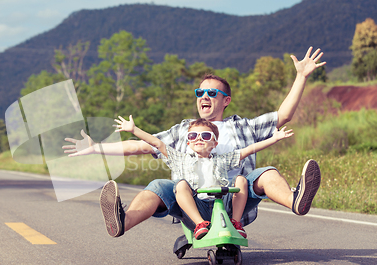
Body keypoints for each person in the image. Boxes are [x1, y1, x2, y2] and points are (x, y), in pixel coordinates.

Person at [64, 47, 325, 239]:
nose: (204, 96)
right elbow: (142, 145)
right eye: (200, 92)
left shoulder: (242, 126)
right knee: (158, 185)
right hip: (193, 201)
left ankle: (295, 201)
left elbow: (283, 116)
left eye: (212, 92)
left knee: (266, 173)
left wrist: (301, 76)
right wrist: (95, 147)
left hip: (236, 199)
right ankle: (122, 221)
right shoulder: (184, 130)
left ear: (226, 100)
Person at [113, 115, 294, 239]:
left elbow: (249, 150)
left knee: (241, 180)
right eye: (193, 135)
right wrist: (134, 129)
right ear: (188, 142)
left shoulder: (223, 159)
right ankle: (200, 225)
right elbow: (157, 143)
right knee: (181, 185)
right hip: (196, 208)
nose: (199, 138)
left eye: (205, 135)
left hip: (223, 206)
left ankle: (236, 223)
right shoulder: (180, 158)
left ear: (215, 143)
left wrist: (274, 138)